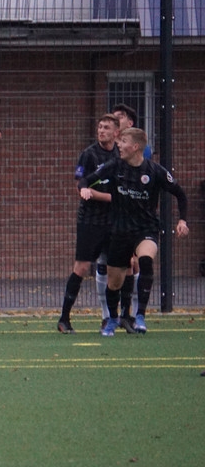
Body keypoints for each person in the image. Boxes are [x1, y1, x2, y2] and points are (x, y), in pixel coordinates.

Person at [78, 128, 189, 336]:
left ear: (135, 146)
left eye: (123, 141)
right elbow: (86, 179)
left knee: (145, 259)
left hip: (146, 228)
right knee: (114, 283)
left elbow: (180, 194)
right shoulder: (114, 166)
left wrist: (182, 220)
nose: (118, 145)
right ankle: (113, 318)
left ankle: (140, 316)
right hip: (120, 231)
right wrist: (83, 188)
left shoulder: (155, 171)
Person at [56, 114, 119, 334]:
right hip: (90, 220)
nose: (101, 131)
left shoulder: (120, 155)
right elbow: (81, 185)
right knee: (82, 267)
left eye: (106, 128)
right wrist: (102, 195)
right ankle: (64, 318)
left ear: (116, 133)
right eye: (100, 127)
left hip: (114, 220)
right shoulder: (89, 154)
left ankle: (114, 317)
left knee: (117, 268)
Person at [110, 103, 153, 327]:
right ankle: (110, 315)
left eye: (120, 118)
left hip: (135, 219)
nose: (115, 122)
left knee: (136, 263)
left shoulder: (140, 151)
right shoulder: (111, 147)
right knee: (112, 268)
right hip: (111, 215)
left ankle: (132, 313)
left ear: (130, 122)